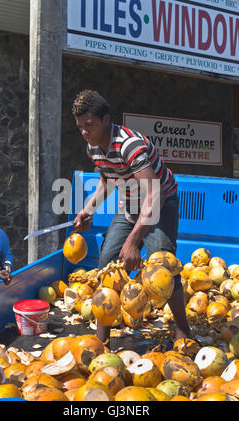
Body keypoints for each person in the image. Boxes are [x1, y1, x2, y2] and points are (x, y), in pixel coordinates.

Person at [72, 89, 191, 346]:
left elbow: (155, 196)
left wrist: (134, 241)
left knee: (163, 265)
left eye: (89, 125)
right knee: (106, 261)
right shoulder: (93, 146)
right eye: (81, 127)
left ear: (106, 120)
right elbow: (107, 179)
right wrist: (88, 209)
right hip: (130, 204)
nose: (84, 132)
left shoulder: (130, 145)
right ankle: (102, 338)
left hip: (160, 203)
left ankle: (184, 331)